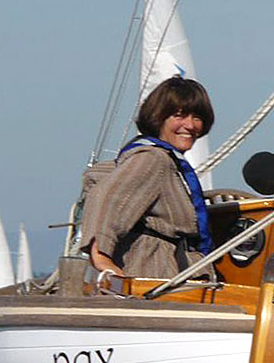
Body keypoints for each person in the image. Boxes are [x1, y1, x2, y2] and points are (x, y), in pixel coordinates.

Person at [81, 76, 216, 279]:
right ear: (158, 118)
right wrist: (102, 259)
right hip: (153, 272)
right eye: (179, 116)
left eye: (197, 117)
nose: (190, 125)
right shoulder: (154, 159)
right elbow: (106, 198)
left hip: (171, 271)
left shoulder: (169, 163)